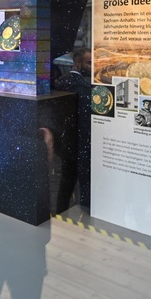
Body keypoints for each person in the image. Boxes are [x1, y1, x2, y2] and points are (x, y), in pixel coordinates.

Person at [54, 46, 92, 209]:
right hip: (80, 141)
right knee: (83, 181)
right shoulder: (80, 86)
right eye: (89, 63)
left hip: (65, 141)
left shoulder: (63, 81)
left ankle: (60, 211)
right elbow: (85, 116)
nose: (92, 67)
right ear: (78, 63)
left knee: (67, 181)